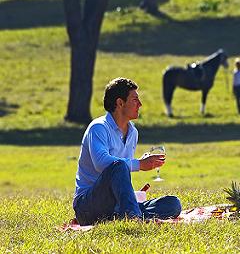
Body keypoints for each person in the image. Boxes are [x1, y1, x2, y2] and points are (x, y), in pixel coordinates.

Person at [73, 77, 182, 225]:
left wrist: (140, 163)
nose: (140, 104)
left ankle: (126, 215)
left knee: (173, 204)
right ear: (120, 103)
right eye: (135, 100)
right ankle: (134, 219)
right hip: (88, 206)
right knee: (119, 166)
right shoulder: (98, 128)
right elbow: (102, 163)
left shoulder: (133, 133)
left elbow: (121, 175)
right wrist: (139, 164)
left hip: (115, 205)